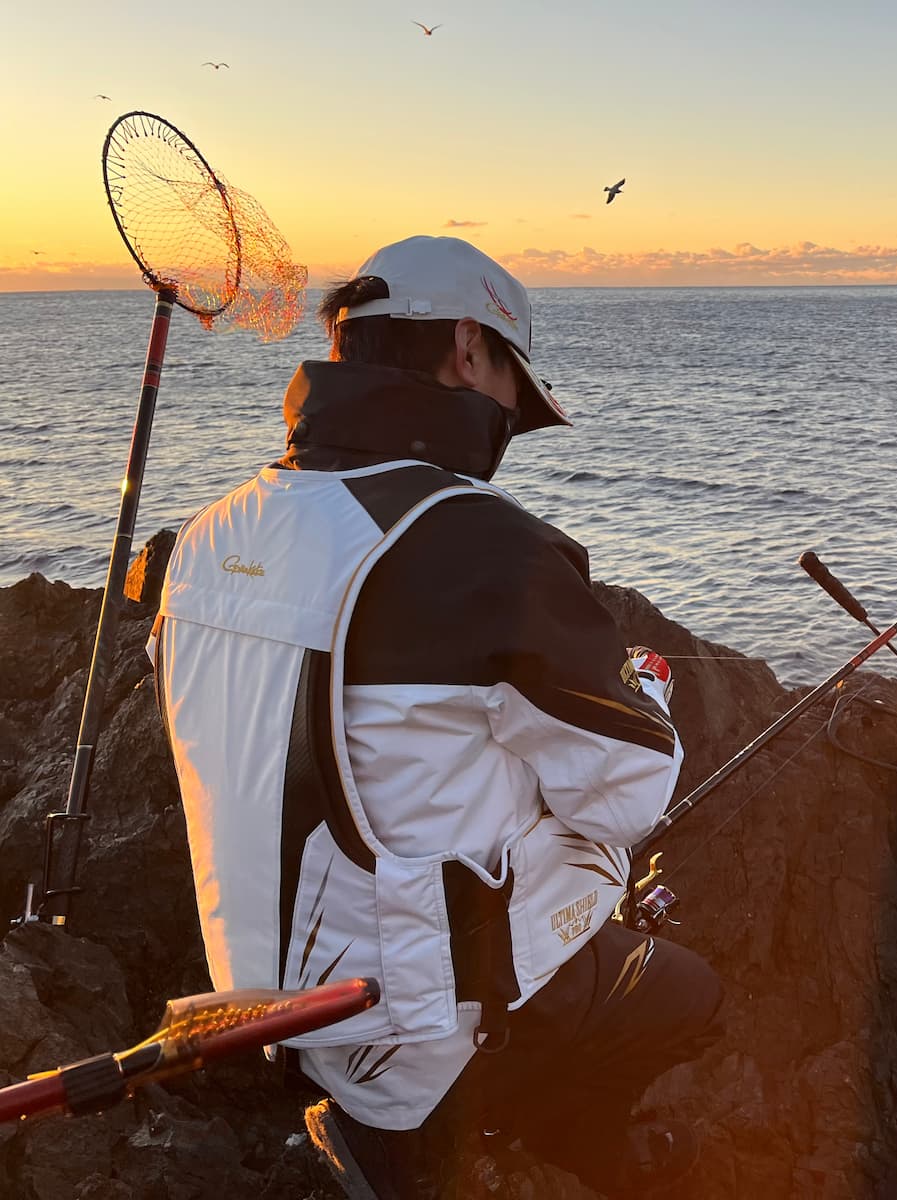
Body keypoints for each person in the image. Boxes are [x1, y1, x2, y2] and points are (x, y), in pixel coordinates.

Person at [147, 236, 724, 1197]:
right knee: (687, 995)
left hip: (264, 1007)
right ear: (469, 347)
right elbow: (630, 794)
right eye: (511, 384)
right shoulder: (479, 542)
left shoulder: (209, 534)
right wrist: (648, 685)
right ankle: (535, 1137)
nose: (506, 418)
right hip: (419, 1024)